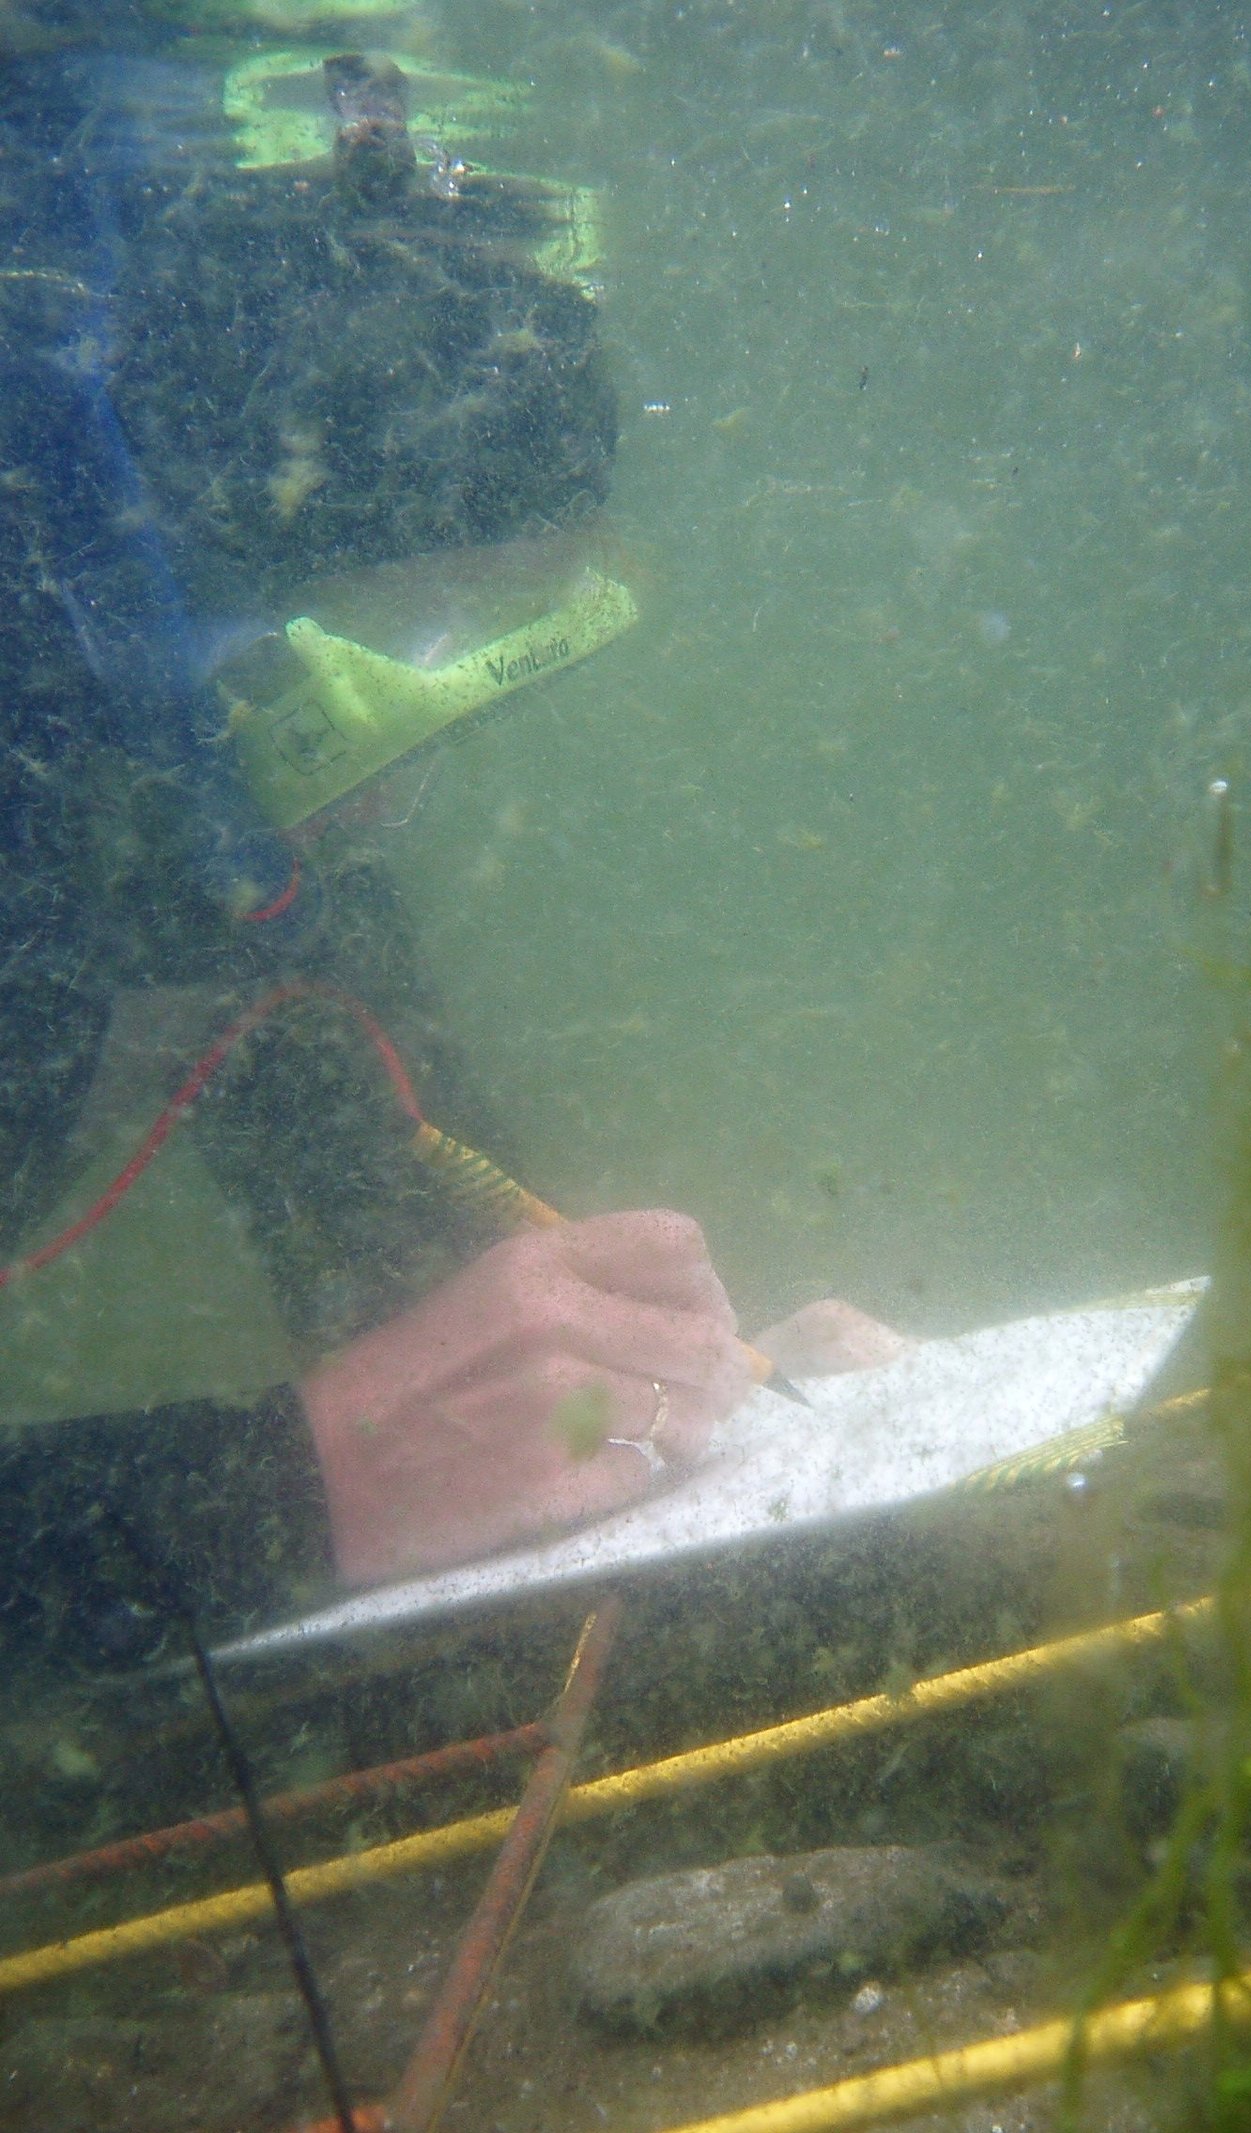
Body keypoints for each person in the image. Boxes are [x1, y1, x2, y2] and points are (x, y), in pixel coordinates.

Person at [0, 24, 902, 1679]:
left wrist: (691, 1402)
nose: (395, 793)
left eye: (482, 675)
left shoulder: (225, 856)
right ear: (156, 620)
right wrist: (279, 1492)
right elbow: (356, 1458)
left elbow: (427, 1330)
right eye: (370, 678)